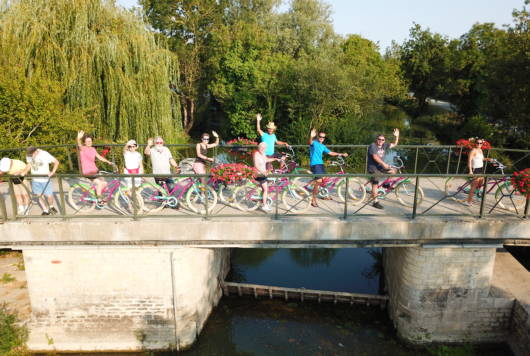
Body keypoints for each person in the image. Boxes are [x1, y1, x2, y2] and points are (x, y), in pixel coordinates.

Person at [308, 129, 348, 207]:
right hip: (315, 164)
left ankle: (324, 195)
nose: (321, 138)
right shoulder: (314, 143)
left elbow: (331, 153)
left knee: (325, 179)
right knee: (318, 181)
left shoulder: (323, 146)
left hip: (321, 164)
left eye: (323, 137)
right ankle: (313, 199)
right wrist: (311, 136)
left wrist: (341, 154)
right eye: (320, 136)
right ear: (317, 136)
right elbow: (309, 142)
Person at [76, 130, 116, 202]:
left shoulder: (93, 149)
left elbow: (99, 157)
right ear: (84, 142)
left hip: (95, 170)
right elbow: (79, 144)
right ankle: (99, 199)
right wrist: (78, 138)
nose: (89, 143)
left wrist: (108, 162)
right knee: (99, 183)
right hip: (88, 172)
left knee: (105, 183)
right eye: (87, 141)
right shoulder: (83, 149)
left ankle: (95, 195)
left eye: (90, 141)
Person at [367, 129, 400, 210]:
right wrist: (384, 164)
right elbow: (375, 157)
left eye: (383, 140)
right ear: (376, 140)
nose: (381, 141)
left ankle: (386, 183)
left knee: (394, 170)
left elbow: (394, 144)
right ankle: (375, 202)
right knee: (375, 185)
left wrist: (397, 136)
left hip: (381, 167)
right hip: (373, 168)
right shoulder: (372, 146)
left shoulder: (384, 145)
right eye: (379, 139)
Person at [21, 147, 59, 215]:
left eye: (32, 155)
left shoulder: (44, 154)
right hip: (35, 180)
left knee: (49, 196)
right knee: (39, 196)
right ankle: (45, 210)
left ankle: (51, 206)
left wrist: (53, 172)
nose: (30, 156)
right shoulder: (29, 155)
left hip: (45, 179)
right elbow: (29, 164)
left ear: (35, 152)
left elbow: (56, 162)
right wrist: (25, 171)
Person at [253, 142, 281, 212]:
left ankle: (262, 199)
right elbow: (256, 165)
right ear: (259, 148)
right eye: (261, 147)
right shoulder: (256, 154)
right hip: (259, 174)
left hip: (263, 174)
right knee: (266, 189)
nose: (262, 149)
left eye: (264, 148)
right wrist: (263, 172)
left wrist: (275, 159)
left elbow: (267, 160)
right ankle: (264, 205)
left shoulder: (263, 154)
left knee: (269, 183)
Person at [466, 138, 491, 206]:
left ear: (482, 144)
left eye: (480, 143)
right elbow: (469, 160)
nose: (479, 144)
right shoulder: (473, 150)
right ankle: (468, 201)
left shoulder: (480, 150)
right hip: (475, 169)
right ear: (475, 143)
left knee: (480, 184)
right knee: (474, 186)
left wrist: (488, 159)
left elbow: (481, 159)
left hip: (481, 169)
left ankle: (476, 196)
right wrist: (470, 171)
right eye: (477, 143)